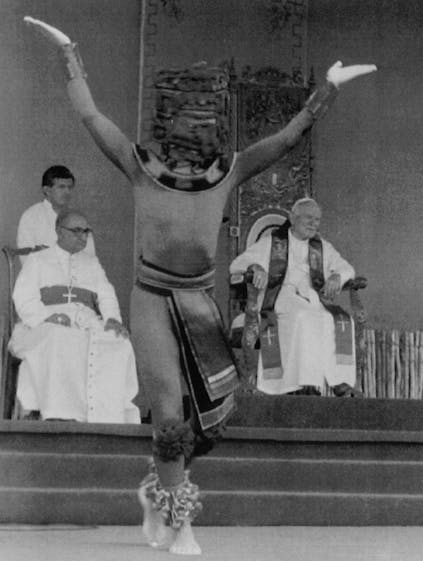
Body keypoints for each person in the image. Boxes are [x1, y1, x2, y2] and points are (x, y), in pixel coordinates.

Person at [24, 15, 376, 556]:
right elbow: (91, 115)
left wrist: (325, 91)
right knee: (168, 413)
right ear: (168, 121)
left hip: (199, 302)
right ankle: (178, 520)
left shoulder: (230, 169)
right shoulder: (139, 165)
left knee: (206, 423)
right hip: (152, 299)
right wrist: (69, 54)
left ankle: (159, 487)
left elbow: (284, 139)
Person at [9, 210, 138, 424]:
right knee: (59, 338)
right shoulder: (38, 260)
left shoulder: (92, 263)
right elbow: (23, 296)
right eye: (76, 231)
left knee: (118, 342)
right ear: (59, 231)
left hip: (85, 321)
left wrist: (112, 320)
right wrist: (45, 318)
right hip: (44, 322)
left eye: (86, 231)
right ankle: (59, 411)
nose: (83, 236)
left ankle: (108, 414)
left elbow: (106, 295)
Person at [229, 198, 360, 397]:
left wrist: (336, 276)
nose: (313, 223)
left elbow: (347, 268)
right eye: (308, 218)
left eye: (317, 219)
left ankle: (339, 382)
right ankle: (301, 384)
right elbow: (237, 265)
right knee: (304, 316)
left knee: (336, 320)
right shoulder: (272, 243)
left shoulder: (321, 246)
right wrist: (255, 267)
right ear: (292, 218)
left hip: (312, 297)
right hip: (280, 296)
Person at [16, 165, 95, 263]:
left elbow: (90, 254)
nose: (67, 192)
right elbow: (26, 257)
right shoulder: (31, 216)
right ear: (47, 190)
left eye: (70, 187)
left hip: (77, 274)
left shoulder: (78, 218)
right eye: (61, 187)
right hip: (41, 275)